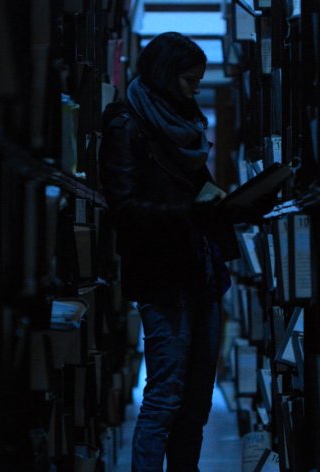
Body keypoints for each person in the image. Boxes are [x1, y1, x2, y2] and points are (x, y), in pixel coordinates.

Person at [99, 32, 241, 471]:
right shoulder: (126, 123)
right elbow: (123, 206)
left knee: (197, 399)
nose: (195, 89)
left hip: (203, 269)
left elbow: (200, 189)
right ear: (165, 75)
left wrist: (231, 204)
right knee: (165, 395)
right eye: (189, 80)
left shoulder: (187, 121)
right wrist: (189, 212)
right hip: (163, 275)